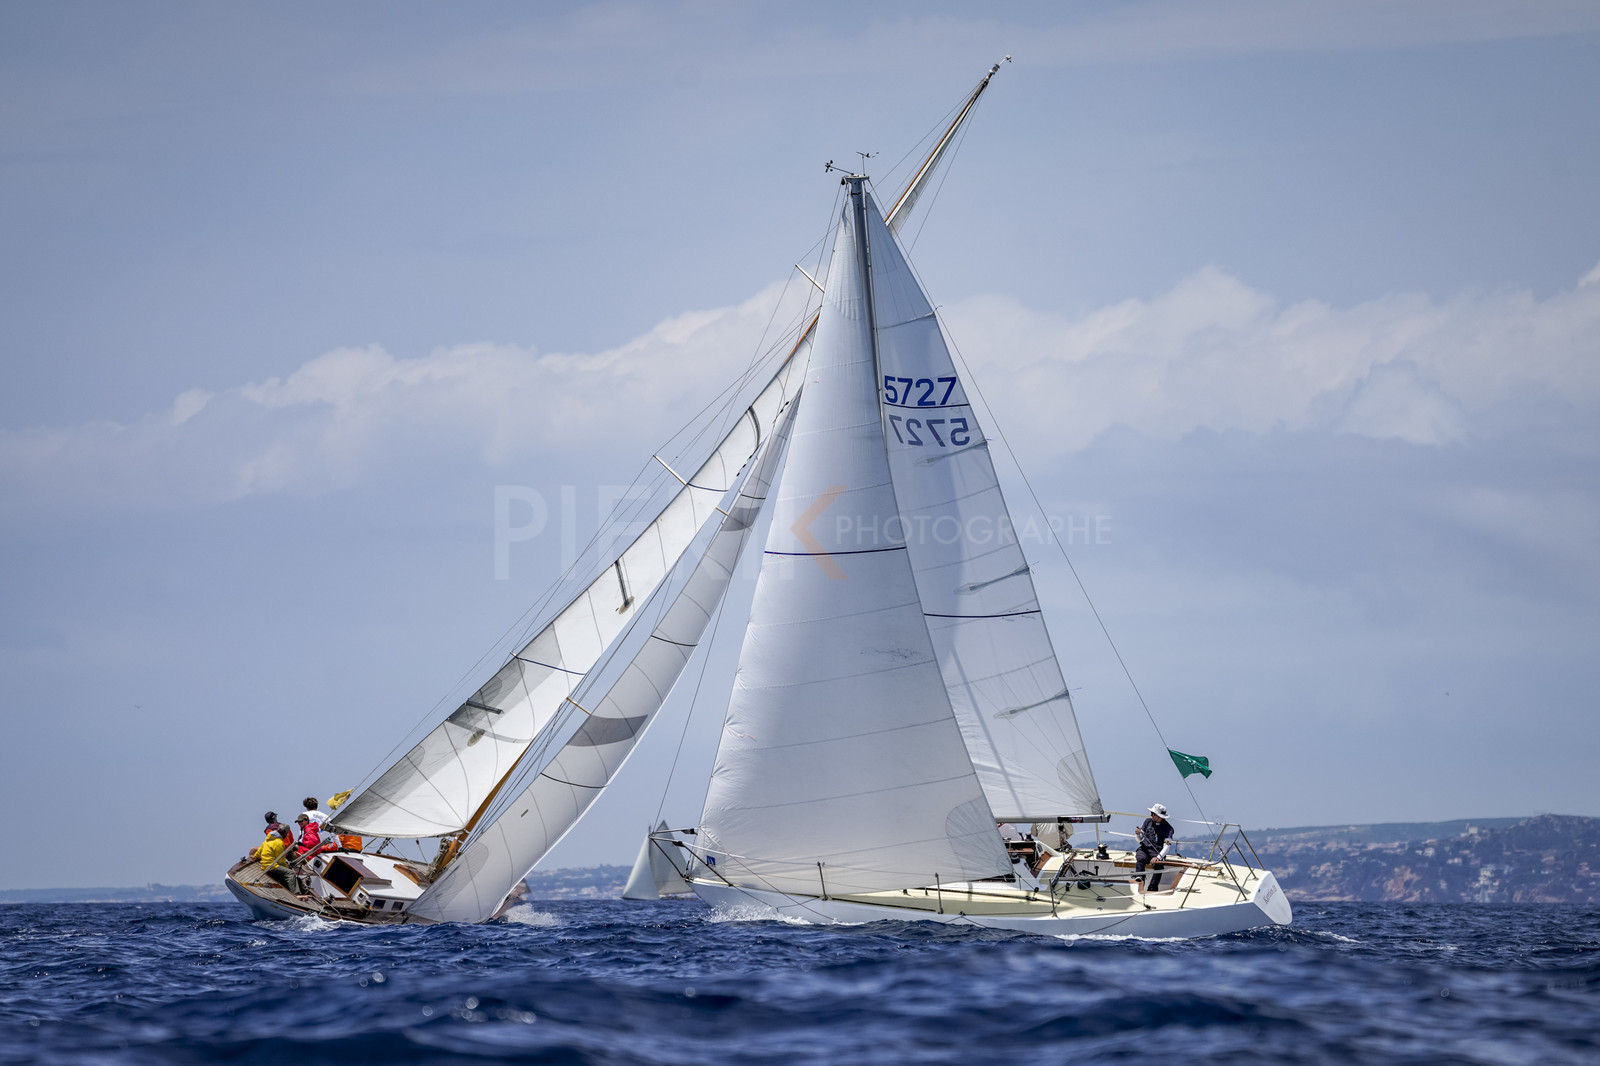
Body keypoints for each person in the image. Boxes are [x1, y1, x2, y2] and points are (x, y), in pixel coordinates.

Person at [1135, 803, 1177, 891]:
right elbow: (1140, 840)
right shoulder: (1147, 822)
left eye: (1152, 813)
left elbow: (1166, 847)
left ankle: (1152, 888)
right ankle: (1140, 877)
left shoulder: (1169, 829)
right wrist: (1138, 834)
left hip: (1157, 852)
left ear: (1158, 816)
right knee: (1140, 857)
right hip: (1145, 849)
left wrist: (1158, 857)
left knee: (1159, 867)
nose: (1150, 815)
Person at [250, 826, 303, 895]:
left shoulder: (267, 840)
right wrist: (288, 868)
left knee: (285, 875)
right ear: (284, 833)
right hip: (272, 867)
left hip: (265, 866)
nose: (287, 835)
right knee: (291, 874)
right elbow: (281, 861)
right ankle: (297, 894)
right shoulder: (279, 843)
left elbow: (258, 854)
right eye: (287, 834)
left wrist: (253, 857)